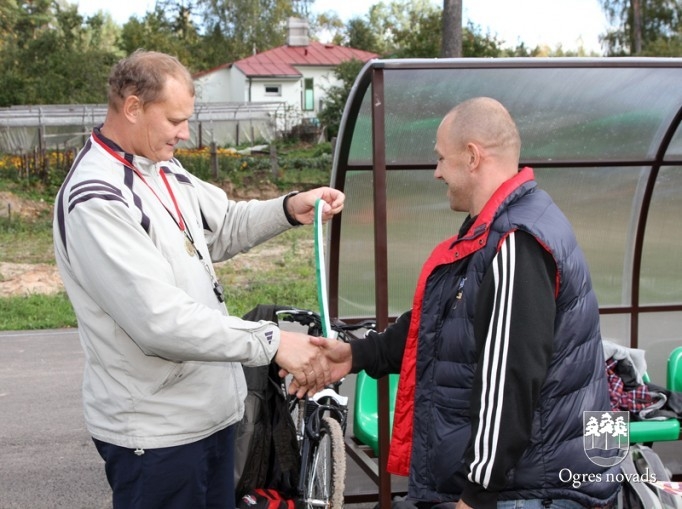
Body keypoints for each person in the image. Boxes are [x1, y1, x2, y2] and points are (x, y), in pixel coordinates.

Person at [52, 49, 344, 509]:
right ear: (132, 107)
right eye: (174, 120)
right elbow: (159, 323)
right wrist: (272, 342)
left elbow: (221, 225)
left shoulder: (160, 166)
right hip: (158, 433)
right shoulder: (98, 199)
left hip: (209, 417)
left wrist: (288, 208)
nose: (185, 133)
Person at [298, 97, 621, 508]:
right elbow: (444, 322)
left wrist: (476, 496)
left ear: (471, 157)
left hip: (532, 491)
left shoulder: (515, 241)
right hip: (521, 484)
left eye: (440, 158)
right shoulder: (496, 229)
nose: (436, 172)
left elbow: (510, 381)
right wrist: (357, 355)